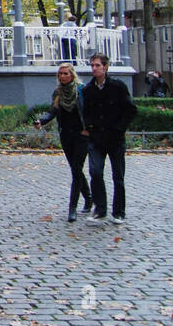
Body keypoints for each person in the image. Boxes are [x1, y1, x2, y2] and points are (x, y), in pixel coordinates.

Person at [82, 52, 136, 224]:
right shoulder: (88, 89)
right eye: (92, 65)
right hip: (96, 138)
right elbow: (86, 112)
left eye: (97, 65)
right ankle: (100, 209)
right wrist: (89, 128)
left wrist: (119, 129)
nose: (94, 68)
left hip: (115, 139)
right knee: (95, 172)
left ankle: (119, 211)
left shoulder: (118, 87)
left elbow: (130, 110)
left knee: (118, 176)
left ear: (105, 67)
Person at [36, 62, 93, 222]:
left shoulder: (82, 90)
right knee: (76, 169)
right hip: (66, 135)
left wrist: (89, 128)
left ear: (72, 74)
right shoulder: (58, 93)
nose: (62, 76)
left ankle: (72, 208)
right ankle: (88, 197)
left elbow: (89, 111)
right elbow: (53, 111)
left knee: (76, 169)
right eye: (60, 74)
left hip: (81, 135)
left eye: (66, 73)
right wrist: (42, 121)